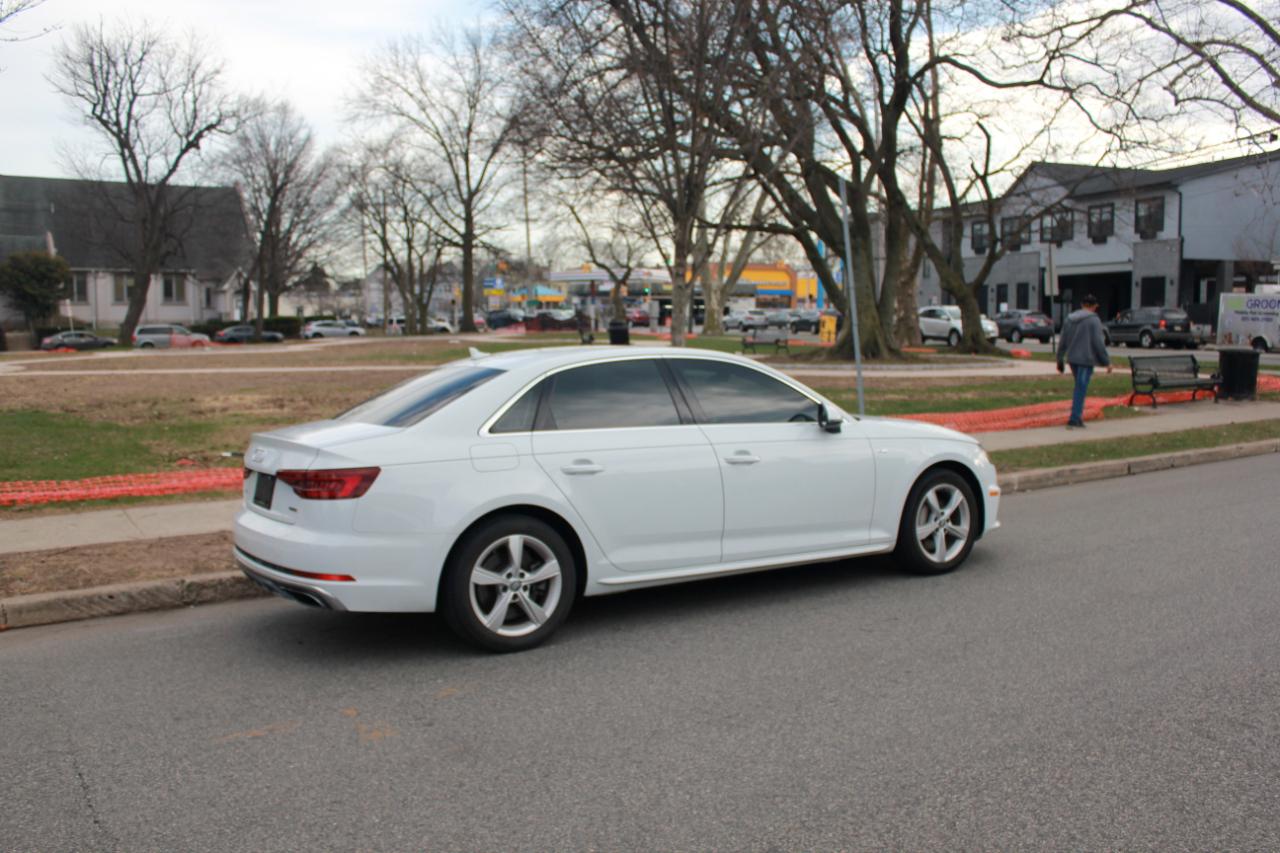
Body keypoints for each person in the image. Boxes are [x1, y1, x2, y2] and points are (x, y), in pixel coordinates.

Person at [1056, 294, 1113, 428]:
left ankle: (1077, 417)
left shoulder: (1069, 319)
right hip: (1086, 359)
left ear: (1082, 305)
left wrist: (1060, 359)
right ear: (1093, 306)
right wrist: (1107, 362)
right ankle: (1075, 418)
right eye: (1095, 307)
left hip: (1073, 359)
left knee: (1079, 387)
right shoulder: (1094, 320)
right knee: (1080, 389)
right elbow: (1098, 343)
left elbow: (1063, 340)